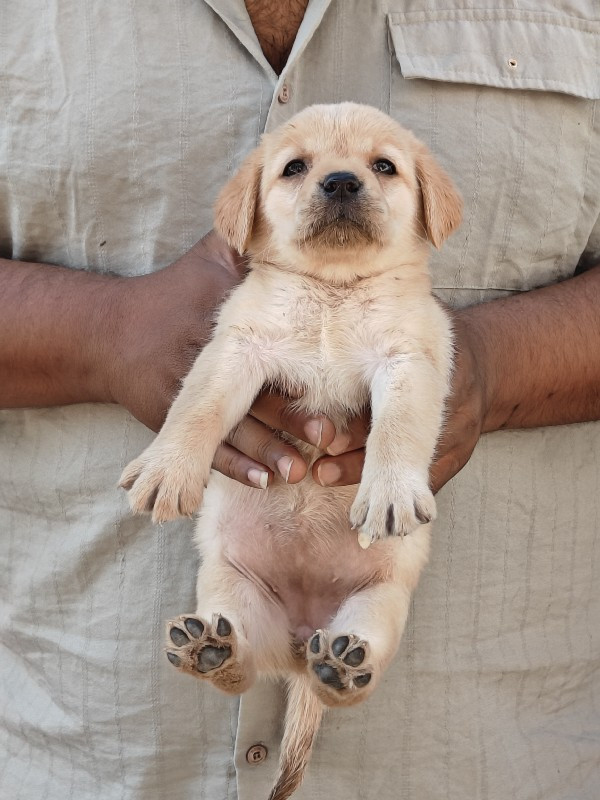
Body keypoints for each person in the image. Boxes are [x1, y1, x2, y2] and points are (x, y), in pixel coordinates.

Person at [1, 1, 599, 798]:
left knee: (376, 597)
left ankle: (349, 657)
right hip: (76, 740)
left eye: (381, 168)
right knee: (232, 585)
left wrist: (492, 368)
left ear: (431, 205)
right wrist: (103, 336)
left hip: (501, 756)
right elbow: (233, 358)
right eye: (297, 170)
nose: (343, 182)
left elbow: (406, 371)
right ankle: (234, 649)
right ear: (245, 212)